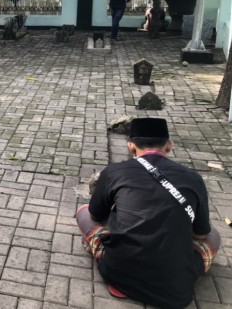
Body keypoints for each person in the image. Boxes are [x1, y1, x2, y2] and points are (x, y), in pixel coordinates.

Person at [76, 118, 220, 308]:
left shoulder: (114, 172)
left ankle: (114, 262)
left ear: (131, 147)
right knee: (214, 235)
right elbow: (200, 234)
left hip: (118, 272)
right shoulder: (194, 178)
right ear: (169, 146)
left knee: (83, 211)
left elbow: (95, 215)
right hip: (175, 289)